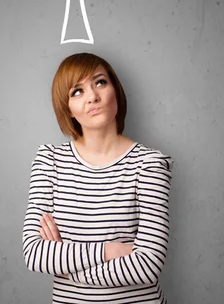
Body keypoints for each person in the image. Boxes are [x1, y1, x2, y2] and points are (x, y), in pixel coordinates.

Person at [22, 52, 174, 303]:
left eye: (100, 82)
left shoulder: (149, 164)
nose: (92, 96)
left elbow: (147, 266)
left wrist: (64, 265)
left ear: (116, 90)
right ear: (67, 108)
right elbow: (35, 254)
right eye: (77, 91)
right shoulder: (49, 161)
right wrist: (110, 250)